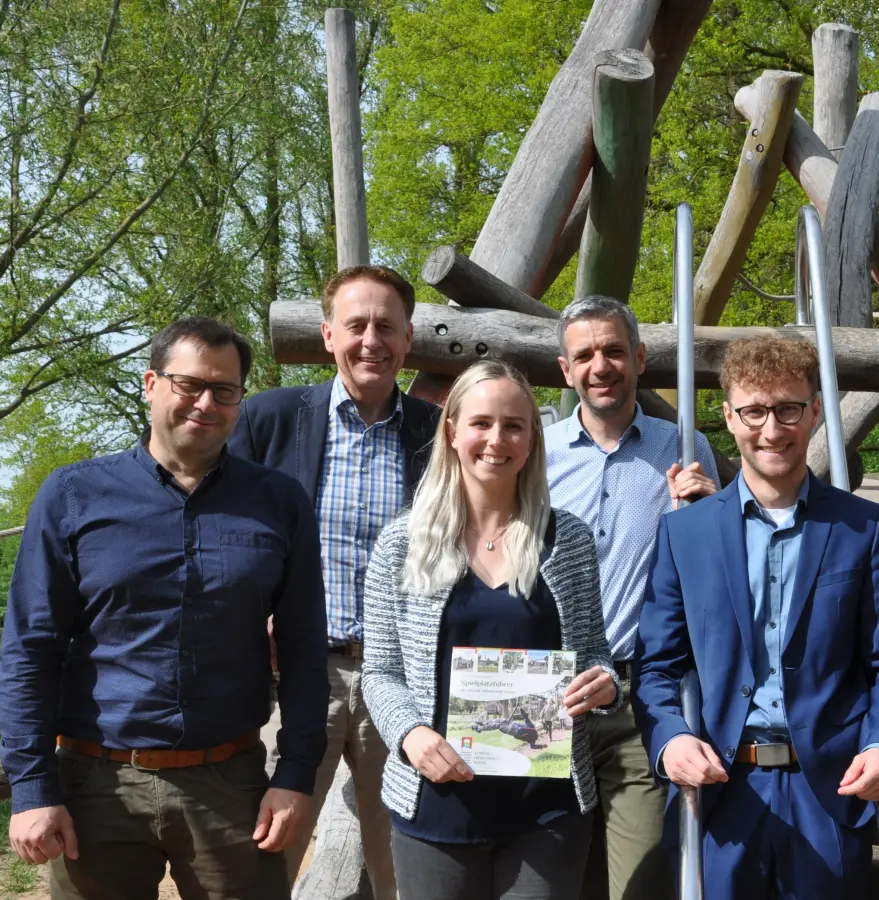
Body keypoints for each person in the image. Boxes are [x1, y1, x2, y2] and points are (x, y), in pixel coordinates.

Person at [0, 317, 328, 900]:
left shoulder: (278, 502)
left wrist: (296, 776)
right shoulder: (74, 495)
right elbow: (30, 650)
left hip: (232, 785)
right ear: (151, 383)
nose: (207, 402)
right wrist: (31, 788)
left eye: (225, 390)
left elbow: (304, 647)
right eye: (189, 384)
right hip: (97, 785)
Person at [635, 336, 879, 898]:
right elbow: (656, 668)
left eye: (788, 409)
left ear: (814, 411)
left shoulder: (862, 527)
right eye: (754, 412)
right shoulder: (683, 534)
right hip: (720, 793)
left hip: (832, 793)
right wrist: (670, 742)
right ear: (728, 417)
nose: (771, 430)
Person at [361, 359, 620, 899]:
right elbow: (380, 672)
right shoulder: (400, 545)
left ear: (531, 439)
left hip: (546, 809)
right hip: (436, 802)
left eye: (513, 425)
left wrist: (606, 684)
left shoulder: (566, 540)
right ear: (452, 430)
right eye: (481, 423)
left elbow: (597, 655)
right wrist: (409, 734)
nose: (496, 439)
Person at [228, 264, 441, 897]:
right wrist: (248, 613)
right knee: (265, 852)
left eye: (386, 327)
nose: (370, 340)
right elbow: (224, 533)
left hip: (402, 682)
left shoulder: (441, 436)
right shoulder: (269, 420)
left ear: (408, 341)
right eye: (356, 325)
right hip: (296, 677)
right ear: (327, 335)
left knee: (407, 860)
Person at [543, 296, 719, 900]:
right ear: (566, 370)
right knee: (545, 877)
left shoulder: (685, 450)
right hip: (548, 693)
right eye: (585, 355)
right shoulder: (535, 456)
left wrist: (701, 518)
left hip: (638, 695)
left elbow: (718, 578)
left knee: (640, 882)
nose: (601, 365)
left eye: (614, 350)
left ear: (639, 358)